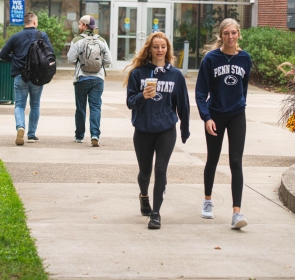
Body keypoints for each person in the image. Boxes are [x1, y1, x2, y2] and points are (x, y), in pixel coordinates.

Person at [124, 32, 190, 230]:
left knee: (160, 169)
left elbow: (183, 105)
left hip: (166, 129)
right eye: (156, 47)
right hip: (143, 129)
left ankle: (156, 213)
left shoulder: (175, 75)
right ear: (149, 49)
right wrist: (142, 95)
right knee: (145, 173)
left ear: (167, 49)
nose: (160, 50)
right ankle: (144, 196)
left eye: (163, 47)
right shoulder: (138, 73)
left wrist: (185, 129)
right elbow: (129, 103)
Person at [195, 18, 251, 229]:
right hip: (215, 115)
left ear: (238, 35)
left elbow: (242, 87)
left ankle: (236, 212)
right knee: (213, 159)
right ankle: (208, 200)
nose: (230, 37)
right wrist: (206, 117)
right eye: (226, 33)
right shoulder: (211, 59)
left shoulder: (245, 58)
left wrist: (240, 104)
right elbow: (201, 93)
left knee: (236, 162)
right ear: (221, 35)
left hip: (237, 115)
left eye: (233, 33)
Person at [0, 12, 54, 146]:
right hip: (37, 77)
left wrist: (14, 58)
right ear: (34, 22)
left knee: (19, 105)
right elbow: (50, 54)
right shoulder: (42, 36)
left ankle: (20, 127)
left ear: (25, 22)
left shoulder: (16, 37)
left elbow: (2, 55)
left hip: (20, 75)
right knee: (35, 105)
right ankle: (31, 134)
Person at [67, 15, 112, 147]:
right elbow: (108, 61)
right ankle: (95, 135)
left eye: (80, 24)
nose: (79, 26)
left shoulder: (77, 40)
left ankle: (80, 136)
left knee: (80, 108)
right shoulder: (102, 41)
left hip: (81, 78)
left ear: (85, 26)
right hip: (98, 79)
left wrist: (81, 62)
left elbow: (70, 60)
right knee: (95, 107)